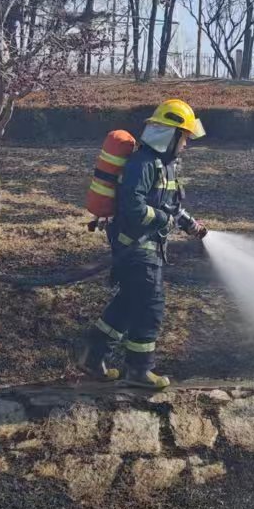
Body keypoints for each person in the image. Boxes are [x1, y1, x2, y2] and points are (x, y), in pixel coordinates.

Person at [77, 98, 208, 389]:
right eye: (184, 138)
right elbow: (134, 209)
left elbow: (170, 206)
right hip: (136, 247)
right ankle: (139, 370)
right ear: (170, 135)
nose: (186, 144)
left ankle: (92, 356)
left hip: (147, 248)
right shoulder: (142, 163)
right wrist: (164, 220)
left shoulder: (165, 166)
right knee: (151, 305)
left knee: (128, 302)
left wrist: (190, 225)